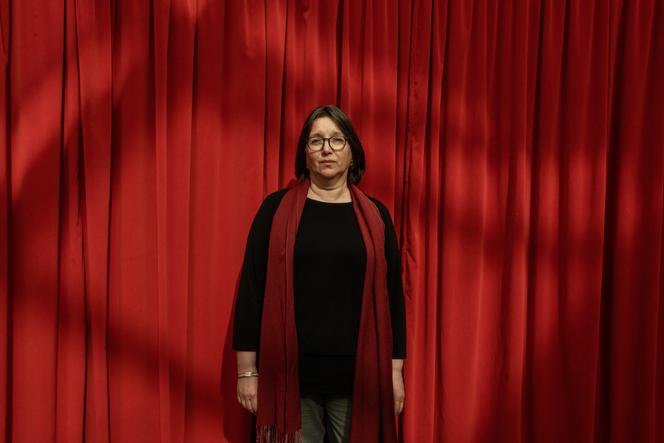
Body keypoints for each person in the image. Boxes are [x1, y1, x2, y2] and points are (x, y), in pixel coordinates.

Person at [232, 105, 406, 443]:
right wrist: (247, 372)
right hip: (290, 376)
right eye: (316, 140)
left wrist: (395, 371)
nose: (327, 148)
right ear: (306, 153)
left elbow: (393, 297)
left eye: (337, 139)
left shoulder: (377, 216)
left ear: (352, 153)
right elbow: (252, 291)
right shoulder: (274, 211)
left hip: (359, 376)